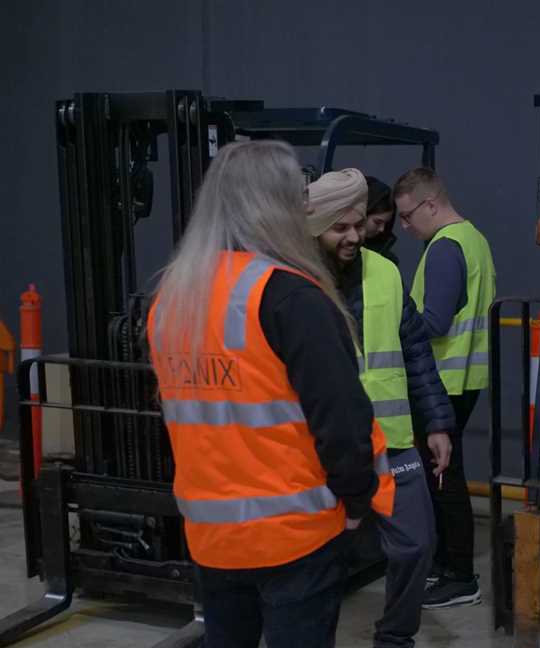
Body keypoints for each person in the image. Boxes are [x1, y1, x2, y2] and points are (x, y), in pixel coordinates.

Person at [146, 141, 394, 648]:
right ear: (280, 205)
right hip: (295, 537)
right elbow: (342, 422)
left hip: (212, 536)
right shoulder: (291, 297)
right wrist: (356, 502)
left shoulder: (171, 298)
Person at [307, 168, 456, 648]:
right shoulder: (296, 284)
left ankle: (395, 638)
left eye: (359, 225)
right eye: (341, 228)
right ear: (314, 230)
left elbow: (415, 352)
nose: (355, 237)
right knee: (319, 560)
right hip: (322, 449)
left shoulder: (387, 273)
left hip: (392, 442)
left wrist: (435, 422)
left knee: (416, 545)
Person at [393, 168, 496, 609]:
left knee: (441, 477)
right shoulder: (474, 239)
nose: (403, 226)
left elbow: (433, 322)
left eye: (407, 215)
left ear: (430, 205)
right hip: (463, 377)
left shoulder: (444, 249)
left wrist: (388, 321)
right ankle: (447, 566)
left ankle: (457, 573)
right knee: (445, 476)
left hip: (441, 381)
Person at [363, 175, 400, 265]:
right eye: (377, 222)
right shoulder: (339, 252)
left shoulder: (389, 261)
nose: (382, 229)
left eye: (387, 223)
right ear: (363, 214)